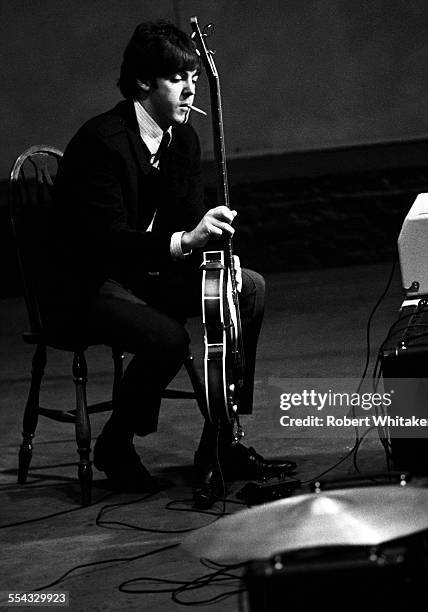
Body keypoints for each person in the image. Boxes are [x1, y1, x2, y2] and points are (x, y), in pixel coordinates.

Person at [47, 20, 296, 507]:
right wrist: (187, 240)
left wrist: (214, 249)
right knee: (169, 338)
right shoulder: (103, 141)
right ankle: (115, 445)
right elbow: (110, 241)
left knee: (247, 287)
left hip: (143, 272)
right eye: (177, 78)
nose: (189, 89)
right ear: (144, 82)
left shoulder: (181, 140)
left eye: (195, 79)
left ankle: (220, 442)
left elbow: (186, 221)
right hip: (89, 281)